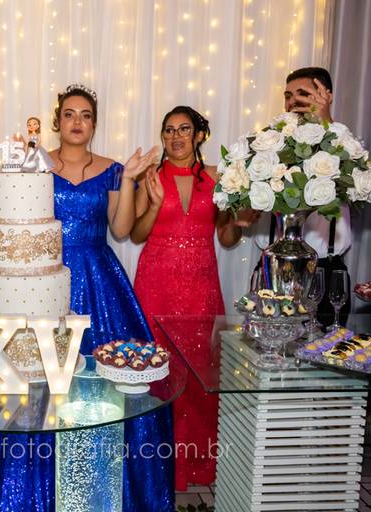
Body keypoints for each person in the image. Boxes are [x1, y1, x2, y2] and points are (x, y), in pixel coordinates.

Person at [50, 83, 173, 511]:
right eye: (69, 114)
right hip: (47, 279)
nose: (77, 122)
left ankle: (106, 481)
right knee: (51, 379)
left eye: (85, 115)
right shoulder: (37, 164)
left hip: (98, 277)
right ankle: (52, 480)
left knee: (106, 378)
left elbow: (121, 230)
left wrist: (132, 179)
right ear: (58, 121)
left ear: (94, 124)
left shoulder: (114, 170)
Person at [131, 106, 250, 491]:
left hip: (201, 286)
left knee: (200, 372)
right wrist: (152, 204)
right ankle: (154, 465)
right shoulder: (150, 176)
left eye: (184, 129)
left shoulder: (218, 178)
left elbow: (227, 238)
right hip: (156, 283)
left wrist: (240, 220)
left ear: (199, 135)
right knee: (157, 372)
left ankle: (196, 463)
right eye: (168, 130)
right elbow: (135, 234)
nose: (176, 136)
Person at [248, 67, 352, 326]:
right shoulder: (270, 143)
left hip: (322, 272)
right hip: (272, 271)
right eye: (288, 95)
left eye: (302, 94)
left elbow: (353, 177)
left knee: (325, 348)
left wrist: (325, 121)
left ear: (326, 96)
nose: (293, 101)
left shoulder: (345, 142)